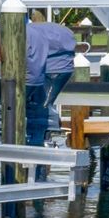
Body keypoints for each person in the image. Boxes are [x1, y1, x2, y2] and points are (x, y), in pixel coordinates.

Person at [24, 17, 79, 146]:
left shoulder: (30, 32)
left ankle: (37, 141)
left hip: (49, 69)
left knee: (38, 106)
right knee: (44, 103)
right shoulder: (48, 30)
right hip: (64, 68)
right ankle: (44, 136)